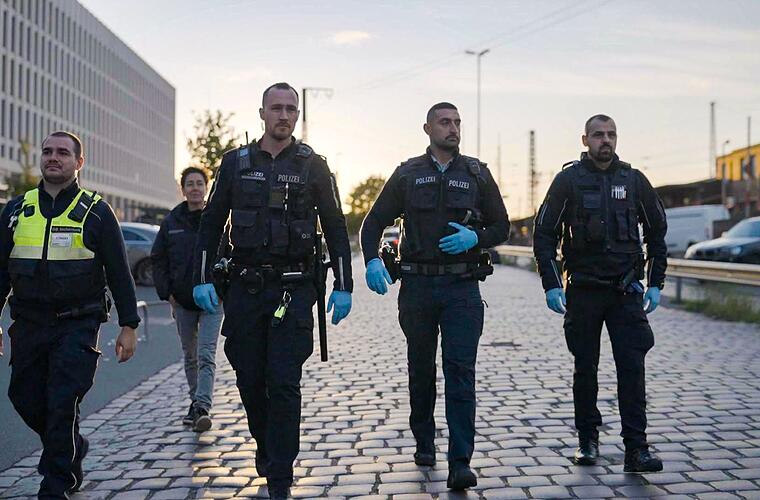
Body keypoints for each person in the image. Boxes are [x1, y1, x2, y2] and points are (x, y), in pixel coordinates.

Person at [192, 82, 353, 500]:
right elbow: (211, 223)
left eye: (290, 109)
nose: (284, 115)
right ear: (262, 113)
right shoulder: (235, 163)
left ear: (297, 115)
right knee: (249, 378)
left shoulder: (313, 166)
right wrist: (202, 277)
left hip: (293, 290)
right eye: (276, 108)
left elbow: (335, 226)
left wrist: (344, 284)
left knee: (283, 382)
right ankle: (266, 446)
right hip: (245, 290)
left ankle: (280, 474)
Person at [360, 102, 509, 490]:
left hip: (462, 288)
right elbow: (372, 223)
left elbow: (502, 226)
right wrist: (372, 260)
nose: (453, 128)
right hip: (418, 288)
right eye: (445, 122)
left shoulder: (476, 173)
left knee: (461, 372)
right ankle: (424, 441)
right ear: (427, 128)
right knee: (421, 370)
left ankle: (460, 461)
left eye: (457, 122)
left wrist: (476, 237)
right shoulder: (407, 174)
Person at [0, 131, 139, 499]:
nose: (53, 157)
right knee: (23, 397)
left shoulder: (97, 211)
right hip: (28, 324)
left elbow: (119, 272)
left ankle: (56, 483)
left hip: (78, 323)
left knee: (62, 401)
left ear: (79, 162)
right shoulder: (16, 210)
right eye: (47, 151)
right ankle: (71, 445)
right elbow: (1, 272)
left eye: (62, 152)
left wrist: (129, 325)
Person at [532, 114, 667, 472]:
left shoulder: (634, 181)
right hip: (584, 290)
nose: (605, 140)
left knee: (632, 368)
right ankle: (587, 440)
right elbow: (543, 234)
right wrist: (551, 284)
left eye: (610, 134)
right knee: (585, 368)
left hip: (625, 290)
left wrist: (656, 282)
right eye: (597, 135)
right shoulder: (568, 181)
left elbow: (657, 232)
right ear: (585, 140)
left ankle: (636, 449)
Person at [151, 166, 223, 432]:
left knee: (206, 354)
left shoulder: (217, 219)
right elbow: (158, 259)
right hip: (182, 301)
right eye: (190, 184)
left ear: (206, 187)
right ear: (183, 190)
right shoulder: (172, 222)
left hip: (213, 300)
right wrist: (168, 295)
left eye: (199, 183)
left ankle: (202, 406)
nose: (195, 188)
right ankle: (195, 402)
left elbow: (229, 255)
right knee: (190, 355)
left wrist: (224, 288)